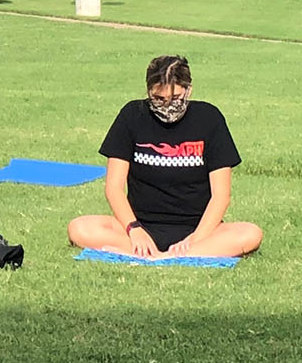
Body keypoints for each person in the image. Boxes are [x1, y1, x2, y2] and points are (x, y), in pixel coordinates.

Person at [67, 56, 264, 259]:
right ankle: (163, 253)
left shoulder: (210, 119)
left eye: (176, 98)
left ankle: (156, 256)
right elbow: (114, 188)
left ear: (189, 90)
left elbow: (221, 196)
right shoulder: (131, 115)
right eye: (159, 99)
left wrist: (195, 239)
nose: (167, 106)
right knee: (79, 228)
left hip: (199, 230)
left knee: (250, 233)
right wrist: (134, 230)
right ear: (148, 90)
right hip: (140, 226)